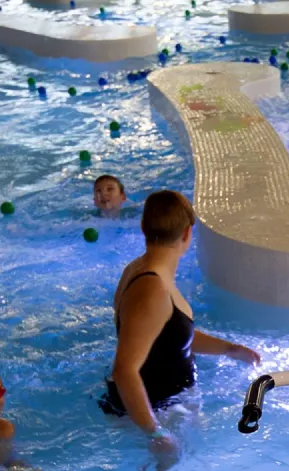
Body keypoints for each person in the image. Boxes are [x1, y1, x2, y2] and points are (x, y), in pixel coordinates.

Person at [101, 190, 260, 456]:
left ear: (144, 228)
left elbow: (165, 335)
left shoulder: (141, 272)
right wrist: (156, 432)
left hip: (162, 407)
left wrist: (229, 349)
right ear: (187, 233)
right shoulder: (153, 288)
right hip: (159, 412)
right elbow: (124, 371)